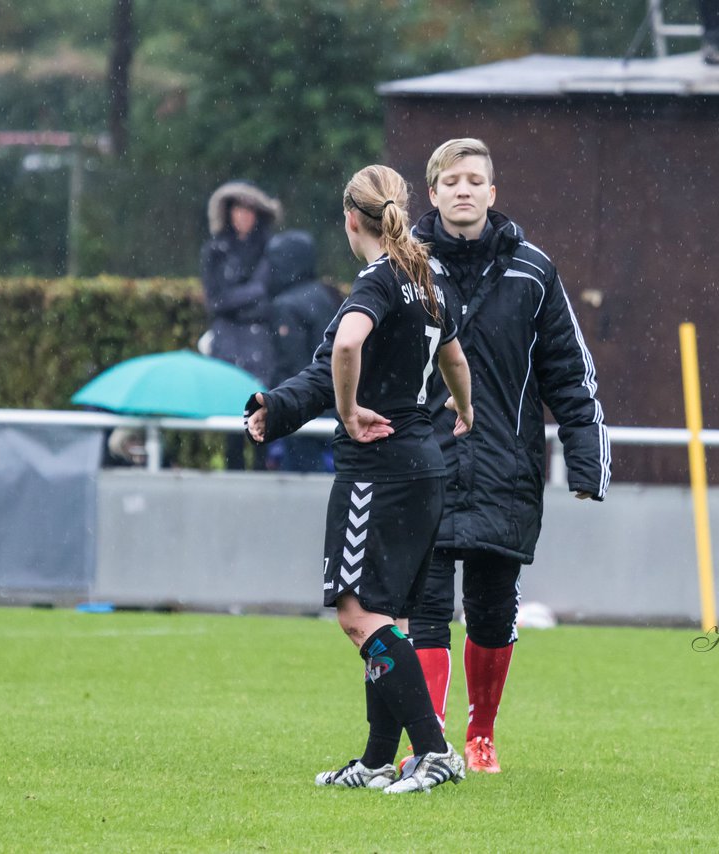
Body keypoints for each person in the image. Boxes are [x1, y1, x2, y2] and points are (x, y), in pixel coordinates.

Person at [246, 138, 610, 773]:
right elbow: (425, 358)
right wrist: (283, 408)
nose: (464, 189)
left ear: (492, 194)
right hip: (430, 464)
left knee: (482, 612)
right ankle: (419, 745)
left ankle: (471, 739)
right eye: (451, 180)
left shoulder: (526, 271)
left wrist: (586, 459)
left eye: (476, 180)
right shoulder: (416, 271)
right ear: (430, 193)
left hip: (494, 465)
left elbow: (569, 374)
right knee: (425, 613)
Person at [249, 165, 474, 793]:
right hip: (424, 464)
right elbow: (454, 356)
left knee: (356, 615)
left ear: (351, 220)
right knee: (383, 616)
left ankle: (432, 751)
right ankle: (378, 758)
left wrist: (348, 412)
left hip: (377, 470)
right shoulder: (428, 279)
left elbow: (344, 350)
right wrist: (465, 407)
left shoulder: (376, 282)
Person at [200, 180, 281, 470]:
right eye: (237, 210)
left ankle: (261, 471)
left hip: (261, 345)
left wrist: (237, 298)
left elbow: (268, 297)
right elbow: (216, 301)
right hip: (228, 344)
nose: (242, 216)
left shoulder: (270, 250)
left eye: (248, 210)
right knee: (231, 416)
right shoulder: (215, 251)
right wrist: (252, 294)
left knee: (261, 410)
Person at [265, 230, 341, 472]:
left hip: (302, 409)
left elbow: (291, 366)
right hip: (336, 402)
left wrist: (275, 403)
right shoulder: (327, 295)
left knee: (301, 486)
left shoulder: (285, 305)